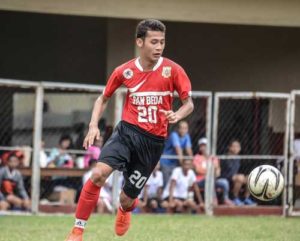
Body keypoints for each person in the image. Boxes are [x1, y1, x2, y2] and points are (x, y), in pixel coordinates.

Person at [65, 19, 194, 240]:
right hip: (126, 133)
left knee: (126, 198)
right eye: (154, 42)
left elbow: (189, 103)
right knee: (98, 175)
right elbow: (102, 99)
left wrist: (177, 114)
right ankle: (77, 230)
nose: (159, 47)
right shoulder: (124, 71)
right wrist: (93, 125)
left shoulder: (173, 70)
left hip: (152, 143)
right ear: (139, 42)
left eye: (162, 42)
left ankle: (125, 209)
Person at [193, 138, 233, 206]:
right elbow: (197, 170)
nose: (204, 147)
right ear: (200, 148)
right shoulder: (197, 157)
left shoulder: (214, 158)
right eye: (202, 145)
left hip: (213, 179)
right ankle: (213, 199)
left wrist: (210, 172)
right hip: (200, 181)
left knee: (224, 182)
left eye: (205, 145)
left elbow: (217, 171)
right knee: (210, 179)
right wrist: (211, 172)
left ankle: (225, 198)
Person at [220, 139, 256, 206]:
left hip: (236, 177)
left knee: (251, 178)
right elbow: (222, 172)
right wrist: (236, 176)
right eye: (234, 146)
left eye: (238, 146)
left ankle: (246, 198)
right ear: (229, 147)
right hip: (225, 177)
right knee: (240, 177)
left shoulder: (238, 158)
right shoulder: (224, 157)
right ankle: (234, 198)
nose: (236, 148)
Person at [160, 120, 193, 186]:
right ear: (178, 129)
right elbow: (178, 150)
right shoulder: (174, 135)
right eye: (182, 128)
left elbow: (189, 150)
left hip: (175, 163)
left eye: (185, 128)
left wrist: (192, 164)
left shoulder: (186, 136)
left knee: (175, 183)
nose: (183, 130)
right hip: (165, 162)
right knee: (167, 183)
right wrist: (183, 165)